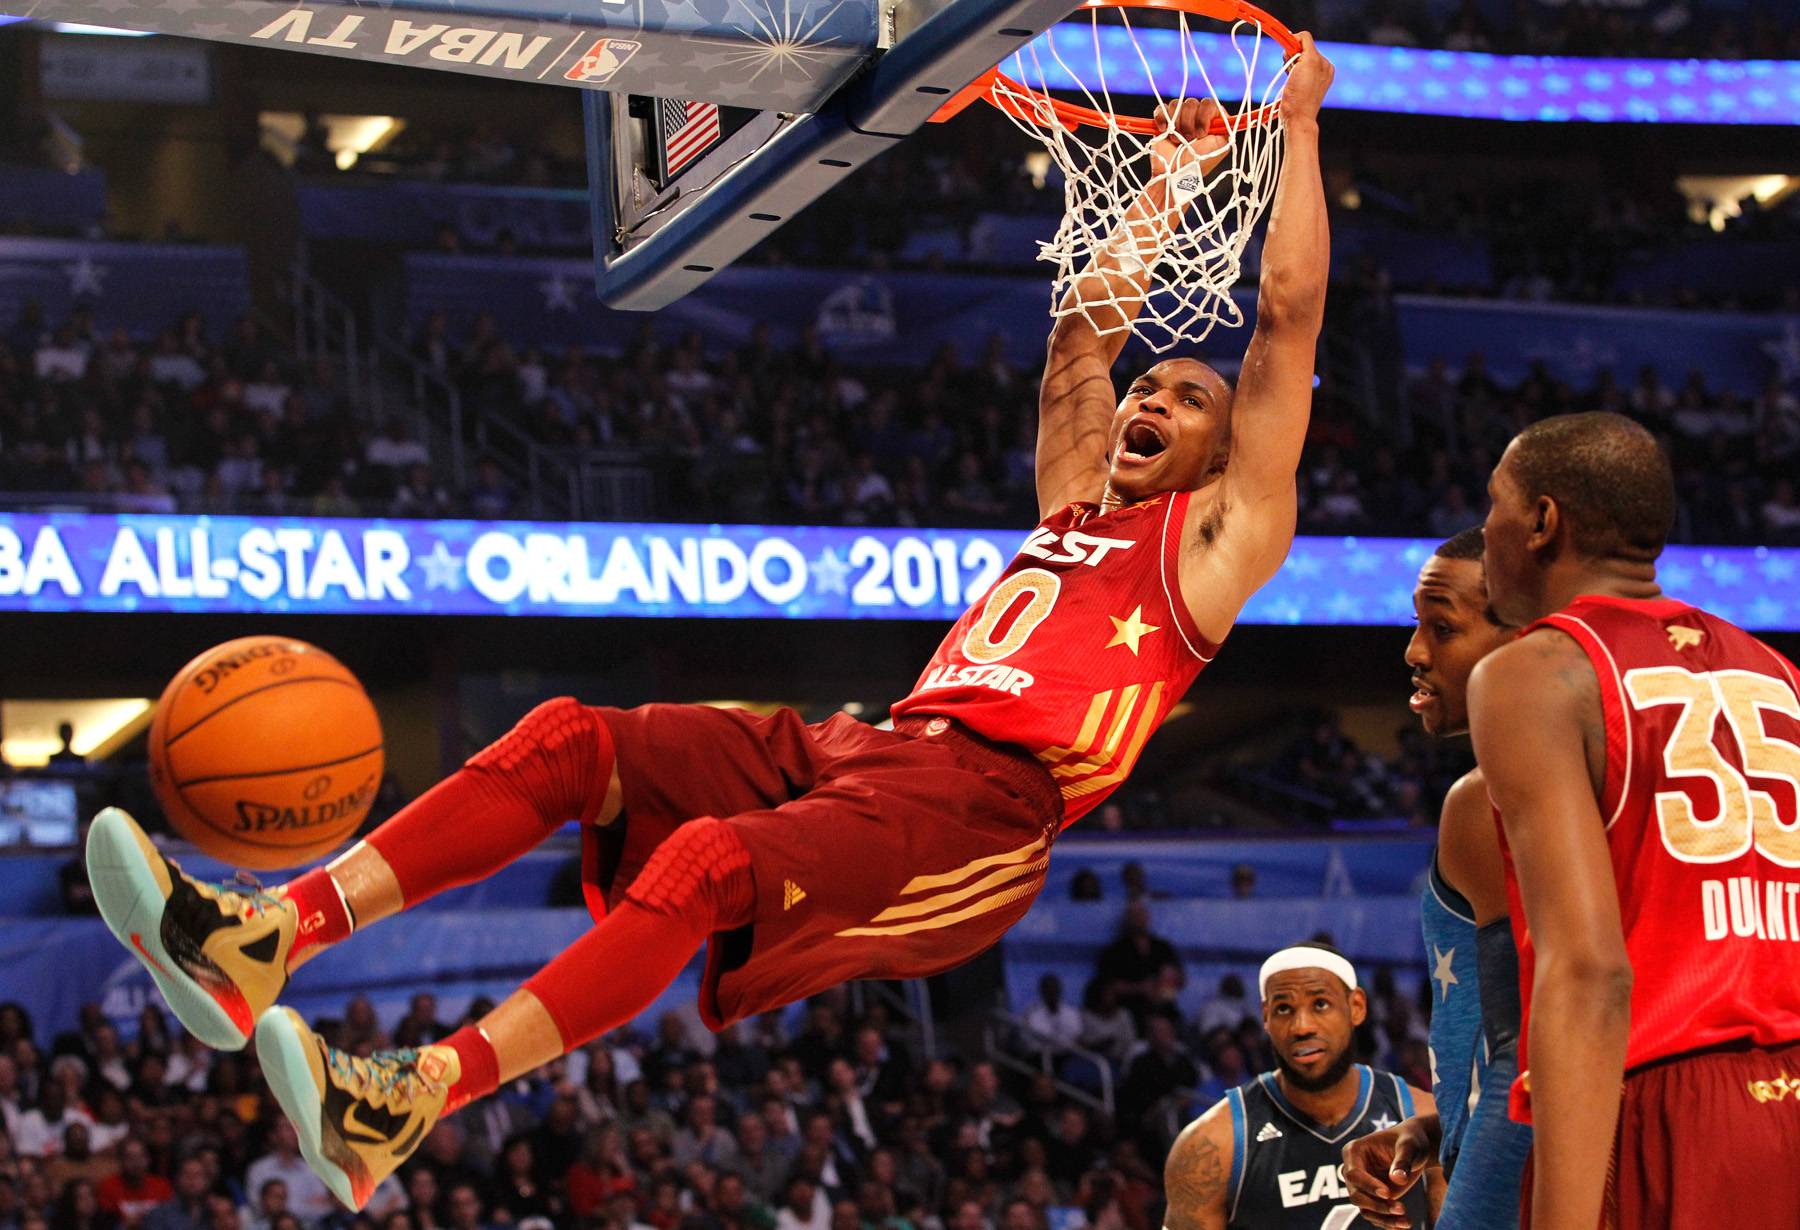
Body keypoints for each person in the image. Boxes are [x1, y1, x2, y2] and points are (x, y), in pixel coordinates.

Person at [84, 37, 1337, 1215]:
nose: (1154, 394)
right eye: (1157, 383)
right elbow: (1082, 342)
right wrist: (1170, 175)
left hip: (987, 814)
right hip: (881, 748)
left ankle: (410, 1098)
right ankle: (267, 935)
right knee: (573, 739)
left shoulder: (1221, 544)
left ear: (1227, 456)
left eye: (1189, 395)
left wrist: (1293, 130)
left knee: (708, 866)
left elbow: (1284, 320)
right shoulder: (1076, 504)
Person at [1464, 412, 1800, 1227]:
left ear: (1543, 522)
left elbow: (1590, 973)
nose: (1484, 534)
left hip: (1667, 1097)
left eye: (1494, 508)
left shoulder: (1534, 671)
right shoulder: (1779, 672)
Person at [1339, 528, 1529, 1230]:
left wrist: (1471, 1212)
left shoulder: (1486, 800)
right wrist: (1439, 1129)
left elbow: (1526, 1056)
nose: (1415, 652)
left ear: (1521, 641)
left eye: (1442, 628)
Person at [1160, 945, 1438, 1230]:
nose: (1302, 1026)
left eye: (1320, 1004)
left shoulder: (1425, 1118)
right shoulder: (1211, 1145)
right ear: (1265, 1017)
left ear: (1356, 1007)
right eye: (1283, 1009)